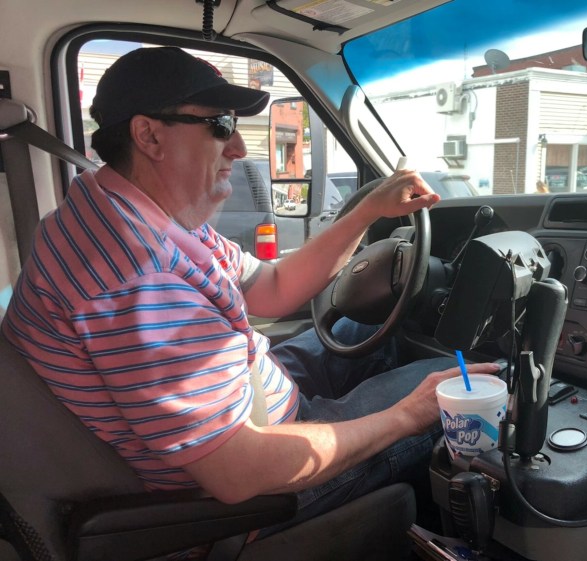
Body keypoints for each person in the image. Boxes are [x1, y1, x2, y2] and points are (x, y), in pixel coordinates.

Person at [1, 46, 500, 535]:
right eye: (220, 126)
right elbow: (237, 473)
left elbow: (270, 288)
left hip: (250, 399)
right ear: (148, 134)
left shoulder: (124, 211)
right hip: (239, 501)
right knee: (465, 388)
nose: (239, 148)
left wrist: (367, 211)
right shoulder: (136, 279)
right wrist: (406, 416)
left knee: (369, 327)